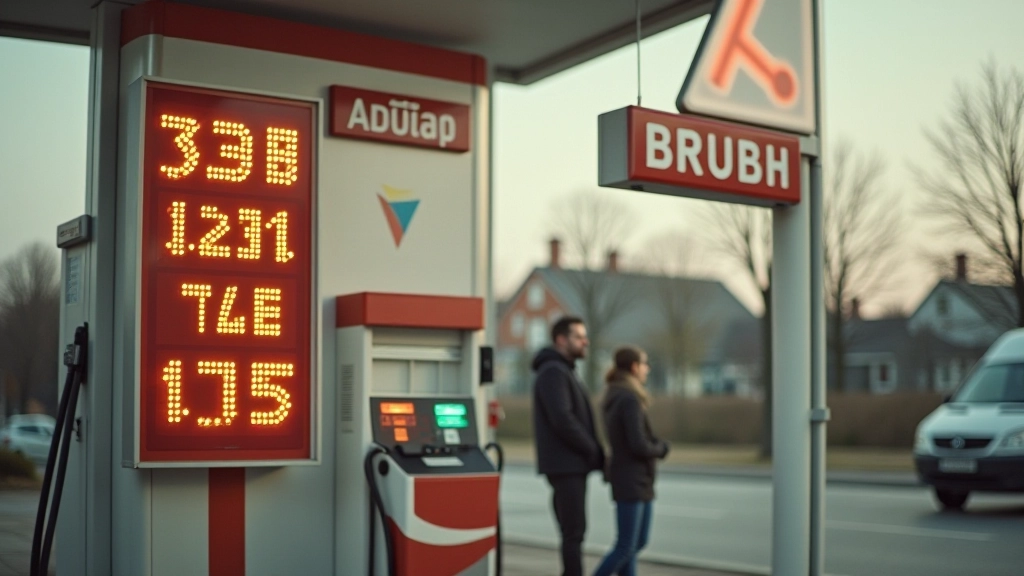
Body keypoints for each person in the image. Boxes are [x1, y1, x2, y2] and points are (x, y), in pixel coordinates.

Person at [532, 316, 606, 576]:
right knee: (573, 533)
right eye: (579, 337)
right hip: (566, 465)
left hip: (569, 464)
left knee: (573, 532)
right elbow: (563, 419)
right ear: (561, 340)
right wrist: (592, 449)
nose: (585, 342)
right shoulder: (553, 372)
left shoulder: (564, 370)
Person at [592, 346, 670, 576]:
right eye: (644, 364)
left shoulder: (617, 394)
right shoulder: (628, 399)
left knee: (634, 544)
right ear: (634, 367)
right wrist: (661, 449)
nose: (647, 369)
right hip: (632, 479)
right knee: (627, 546)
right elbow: (638, 443)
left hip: (633, 478)